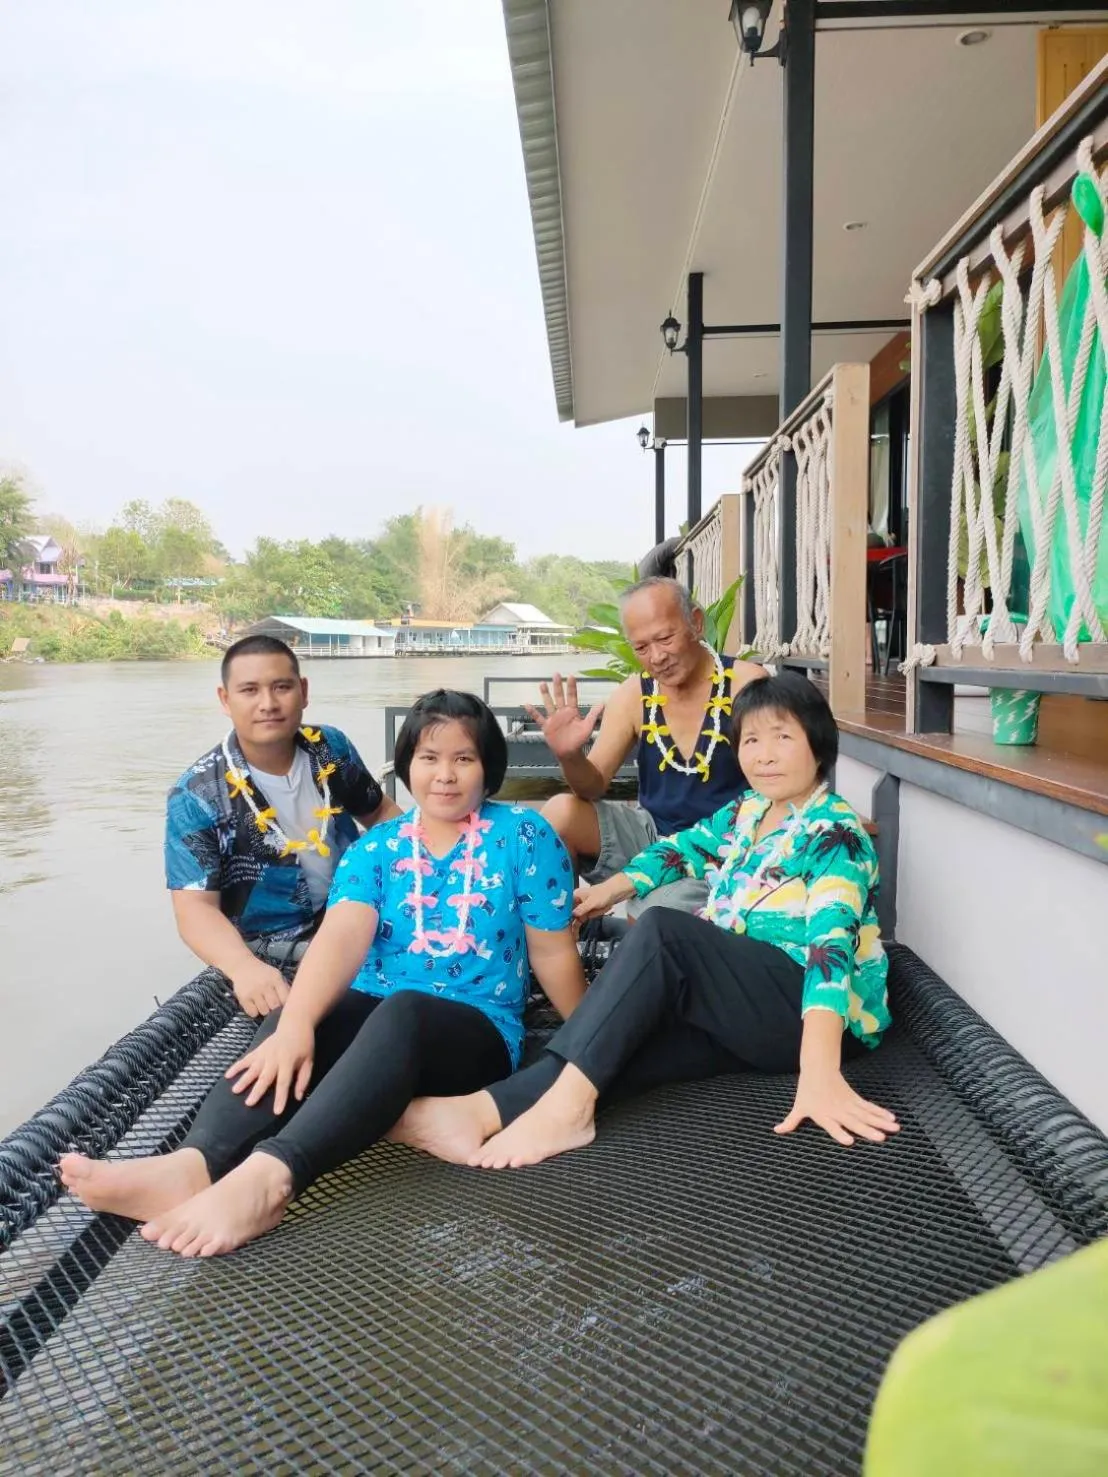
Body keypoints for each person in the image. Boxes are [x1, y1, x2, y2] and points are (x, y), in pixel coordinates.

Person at [60, 690, 586, 1256]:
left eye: (464, 759)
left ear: (489, 766)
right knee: (306, 1010)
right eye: (429, 758)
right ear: (407, 763)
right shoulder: (378, 848)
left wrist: (589, 1037)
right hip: (380, 1021)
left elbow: (552, 953)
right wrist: (296, 1026)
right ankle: (196, 1163)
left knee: (403, 1011)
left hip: (474, 1031)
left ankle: (273, 1177)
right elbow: (340, 938)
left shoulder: (525, 838)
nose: (445, 776)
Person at [397, 673, 898, 1169]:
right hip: (751, 1004)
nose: (763, 754)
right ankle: (481, 1111)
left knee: (664, 932)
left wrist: (819, 1071)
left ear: (818, 743)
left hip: (818, 1019)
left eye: (782, 737)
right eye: (750, 740)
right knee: (627, 1039)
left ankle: (567, 1112)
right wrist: (603, 893)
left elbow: (830, 948)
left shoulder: (835, 832)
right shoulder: (752, 809)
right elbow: (683, 850)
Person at [164, 634, 399, 1019]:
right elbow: (194, 909)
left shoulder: (330, 747)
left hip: (353, 916)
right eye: (250, 690)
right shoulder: (196, 795)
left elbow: (380, 814)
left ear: (303, 692)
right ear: (225, 700)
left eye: (281, 687)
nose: (268, 704)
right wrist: (243, 968)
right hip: (274, 949)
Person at [528, 576, 764, 915]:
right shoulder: (634, 695)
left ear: (695, 623)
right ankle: (558, 947)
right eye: (641, 648)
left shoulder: (745, 683)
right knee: (559, 812)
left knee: (655, 905)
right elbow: (591, 785)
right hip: (652, 832)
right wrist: (569, 756)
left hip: (726, 845)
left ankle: (637, 959)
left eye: (665, 638)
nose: (656, 657)